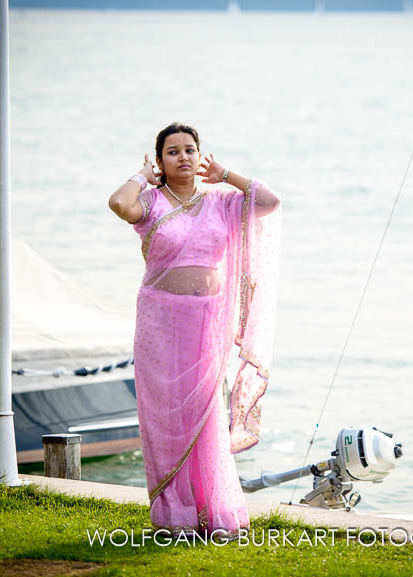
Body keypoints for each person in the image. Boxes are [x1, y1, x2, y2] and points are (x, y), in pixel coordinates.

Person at [108, 123, 280, 536]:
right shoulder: (150, 203)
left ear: (201, 156)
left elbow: (271, 202)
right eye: (172, 152)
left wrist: (227, 175)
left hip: (207, 324)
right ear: (161, 162)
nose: (182, 157)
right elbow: (117, 203)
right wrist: (139, 177)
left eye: (190, 150)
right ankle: (174, 514)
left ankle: (211, 510)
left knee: (204, 417)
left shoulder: (221, 201)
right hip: (159, 322)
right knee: (165, 416)